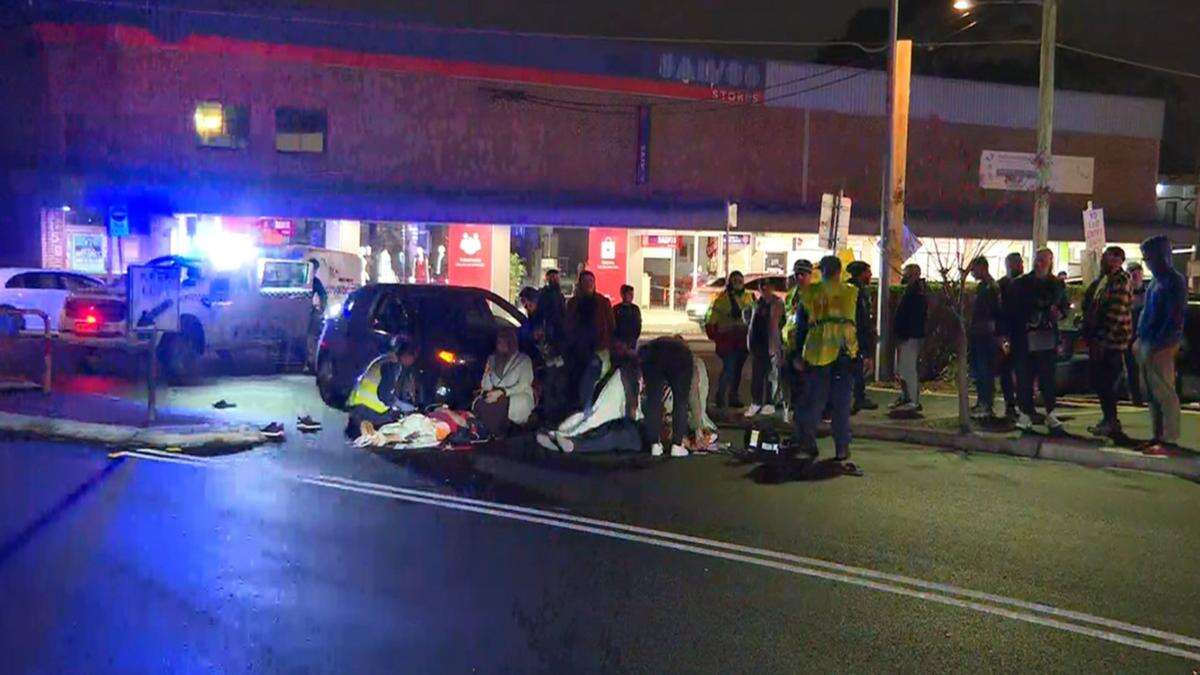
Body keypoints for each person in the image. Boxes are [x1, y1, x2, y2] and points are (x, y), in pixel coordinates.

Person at [793, 256, 859, 473]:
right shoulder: (851, 292)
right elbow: (862, 324)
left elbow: (801, 327)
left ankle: (807, 445)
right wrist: (865, 353)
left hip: (817, 354)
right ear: (840, 271)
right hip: (845, 353)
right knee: (841, 405)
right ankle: (842, 449)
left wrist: (796, 354)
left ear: (822, 271)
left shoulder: (810, 293)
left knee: (813, 402)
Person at [535, 345, 642, 454]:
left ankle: (563, 440)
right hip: (613, 416)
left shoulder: (621, 372)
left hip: (610, 417)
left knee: (598, 429)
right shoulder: (627, 374)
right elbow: (632, 410)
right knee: (622, 436)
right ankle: (565, 440)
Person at [1135, 235, 1187, 455]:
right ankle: (1157, 435)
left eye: (1149, 258)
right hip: (1147, 341)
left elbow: (1174, 317)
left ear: (1162, 256)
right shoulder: (1156, 281)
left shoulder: (1174, 281)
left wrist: (1164, 342)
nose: (1147, 262)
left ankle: (1169, 439)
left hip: (1162, 344)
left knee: (1164, 393)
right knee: (1151, 393)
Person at [1011, 248, 1070, 432]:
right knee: (1025, 377)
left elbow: (1064, 307)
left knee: (1047, 377)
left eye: (1044, 259)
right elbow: (1014, 308)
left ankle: (1050, 412)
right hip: (1026, 336)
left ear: (1050, 262)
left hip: (1046, 336)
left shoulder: (1057, 285)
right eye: (1038, 259)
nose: (1040, 262)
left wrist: (1058, 313)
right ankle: (1025, 413)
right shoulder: (1022, 283)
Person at [1080, 246, 1133, 439]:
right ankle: (1108, 420)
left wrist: (1103, 338)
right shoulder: (1104, 280)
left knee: (1108, 383)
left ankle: (1112, 422)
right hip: (1099, 339)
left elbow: (1116, 312)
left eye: (1108, 257)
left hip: (1112, 341)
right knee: (1100, 382)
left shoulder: (1121, 280)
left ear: (1118, 259)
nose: (1104, 260)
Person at [345, 338, 424, 437]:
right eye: (413, 358)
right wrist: (404, 408)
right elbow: (384, 396)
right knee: (398, 423)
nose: (412, 362)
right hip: (366, 411)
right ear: (406, 355)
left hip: (355, 407)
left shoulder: (383, 359)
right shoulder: (392, 366)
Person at [564, 270, 615, 411]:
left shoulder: (603, 303)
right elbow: (567, 325)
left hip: (597, 351)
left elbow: (611, 327)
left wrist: (608, 347)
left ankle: (586, 412)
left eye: (591, 282)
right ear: (580, 284)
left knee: (589, 382)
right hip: (577, 352)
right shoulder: (573, 303)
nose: (588, 285)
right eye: (585, 282)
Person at [638, 335, 695, 457]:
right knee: (680, 401)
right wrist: (697, 425)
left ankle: (655, 444)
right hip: (680, 359)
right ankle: (677, 445)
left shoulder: (653, 345)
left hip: (653, 356)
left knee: (653, 400)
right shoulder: (686, 354)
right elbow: (689, 396)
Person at [474, 328, 536, 436]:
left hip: (516, 394)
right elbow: (486, 385)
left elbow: (524, 384)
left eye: (504, 342)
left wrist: (503, 392)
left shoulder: (524, 360)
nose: (501, 345)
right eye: (499, 342)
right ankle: (482, 432)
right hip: (494, 394)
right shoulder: (492, 359)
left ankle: (495, 433)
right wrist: (487, 377)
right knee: (481, 403)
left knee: (500, 405)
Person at [705, 270, 752, 409]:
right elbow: (712, 321)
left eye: (740, 281)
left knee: (737, 370)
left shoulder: (749, 298)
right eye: (735, 280)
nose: (738, 283)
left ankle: (733, 397)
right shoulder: (722, 300)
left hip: (742, 341)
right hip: (728, 341)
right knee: (729, 369)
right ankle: (720, 396)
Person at [968, 256, 1002, 419]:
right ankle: (982, 402)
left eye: (974, 269)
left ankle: (986, 404)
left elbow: (993, 311)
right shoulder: (984, 286)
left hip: (985, 334)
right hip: (979, 333)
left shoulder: (990, 287)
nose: (972, 273)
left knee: (984, 370)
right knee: (979, 370)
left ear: (982, 267)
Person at [745, 277, 785, 417]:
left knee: (771, 375)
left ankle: (769, 403)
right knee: (757, 375)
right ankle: (756, 402)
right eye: (761, 286)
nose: (763, 288)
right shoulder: (757, 303)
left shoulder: (777, 303)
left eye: (766, 286)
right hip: (758, 345)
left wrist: (777, 346)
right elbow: (750, 322)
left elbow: (777, 325)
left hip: (771, 345)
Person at [781, 260, 814, 427]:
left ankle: (804, 418)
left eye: (803, 274)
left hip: (807, 347)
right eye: (797, 274)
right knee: (790, 381)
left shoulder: (814, 294)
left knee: (805, 384)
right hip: (790, 344)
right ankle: (792, 411)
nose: (799, 277)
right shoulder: (792, 294)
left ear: (810, 275)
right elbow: (787, 319)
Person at [892, 263, 927, 414]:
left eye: (907, 274)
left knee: (908, 369)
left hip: (911, 335)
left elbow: (912, 316)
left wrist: (904, 332)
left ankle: (913, 400)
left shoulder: (916, 293)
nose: (904, 276)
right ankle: (907, 397)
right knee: (903, 369)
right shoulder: (914, 291)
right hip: (909, 334)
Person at [845, 261, 878, 412]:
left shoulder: (851, 288)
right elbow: (862, 316)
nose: (870, 275)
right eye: (868, 272)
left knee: (855, 368)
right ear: (861, 273)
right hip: (855, 335)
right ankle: (856, 399)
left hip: (851, 334)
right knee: (855, 367)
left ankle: (857, 397)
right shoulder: (857, 291)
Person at [997, 252, 1025, 419]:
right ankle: (1011, 405)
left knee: (1020, 371)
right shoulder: (1003, 285)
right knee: (1007, 371)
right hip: (1009, 333)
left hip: (1019, 333)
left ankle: (1018, 405)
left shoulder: (1024, 283)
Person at [1123, 261, 1147, 405]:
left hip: (1145, 335)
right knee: (1131, 367)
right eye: (1132, 273)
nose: (1135, 275)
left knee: (1147, 367)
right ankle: (1136, 396)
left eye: (1137, 272)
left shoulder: (1149, 293)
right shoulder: (1125, 294)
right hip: (1129, 335)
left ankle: (1147, 395)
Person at [535, 269, 567, 353]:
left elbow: (563, 310)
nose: (555, 279)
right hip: (549, 326)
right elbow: (540, 311)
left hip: (559, 327)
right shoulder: (544, 293)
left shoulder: (559, 294)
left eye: (556, 277)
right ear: (547, 279)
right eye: (552, 277)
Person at [612, 284, 642, 351]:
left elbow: (638, 324)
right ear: (622, 294)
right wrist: (617, 340)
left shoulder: (635, 309)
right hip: (619, 341)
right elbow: (612, 325)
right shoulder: (616, 309)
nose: (631, 296)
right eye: (629, 294)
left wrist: (634, 338)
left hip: (632, 340)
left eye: (632, 294)